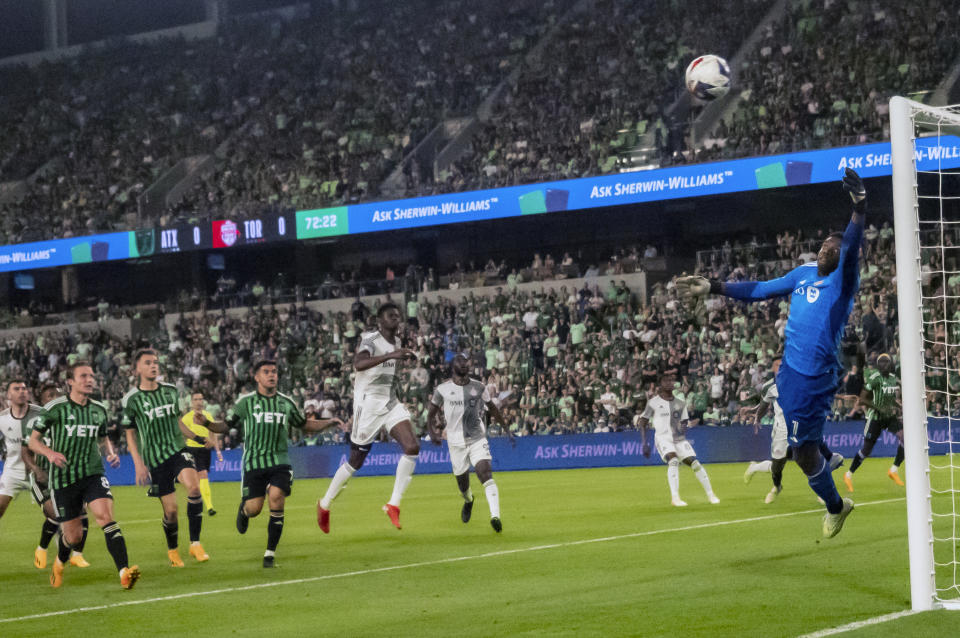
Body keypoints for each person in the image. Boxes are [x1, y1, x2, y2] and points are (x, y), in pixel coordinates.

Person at [676, 167, 866, 538]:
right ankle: (831, 480)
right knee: (802, 451)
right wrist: (714, 286)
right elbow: (759, 289)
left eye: (836, 246)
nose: (828, 247)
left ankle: (836, 505)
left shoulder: (844, 281)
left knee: (803, 454)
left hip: (813, 377)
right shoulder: (803, 273)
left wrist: (859, 206)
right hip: (791, 374)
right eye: (825, 244)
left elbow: (854, 241)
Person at [207, 360, 341, 567]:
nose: (271, 375)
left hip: (280, 461)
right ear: (257, 377)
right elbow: (226, 425)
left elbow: (304, 424)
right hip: (254, 462)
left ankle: (269, 554)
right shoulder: (245, 403)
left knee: (277, 498)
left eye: (275, 372)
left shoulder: (286, 403)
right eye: (266, 372)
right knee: (254, 508)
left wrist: (328, 423)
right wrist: (207, 424)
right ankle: (244, 511)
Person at [27, 361, 139, 589]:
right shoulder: (55, 408)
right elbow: (33, 441)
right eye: (83, 376)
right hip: (63, 479)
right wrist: (49, 453)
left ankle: (124, 572)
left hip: (92, 473)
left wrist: (110, 452)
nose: (89, 380)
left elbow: (101, 436)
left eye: (91, 376)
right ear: (70, 382)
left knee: (106, 517)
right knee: (74, 537)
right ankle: (59, 563)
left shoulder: (98, 408)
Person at [317, 302, 421, 532]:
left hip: (390, 402)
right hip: (368, 405)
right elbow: (359, 363)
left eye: (398, 315)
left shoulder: (397, 342)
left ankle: (393, 504)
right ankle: (324, 504)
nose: (396, 318)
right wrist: (392, 355)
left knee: (412, 447)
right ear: (380, 320)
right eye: (391, 315)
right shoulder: (371, 339)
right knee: (356, 461)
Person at [122, 349, 208, 567]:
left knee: (194, 488)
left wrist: (195, 436)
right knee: (171, 511)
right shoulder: (131, 400)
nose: (154, 366)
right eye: (148, 363)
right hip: (155, 459)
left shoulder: (170, 391)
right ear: (138, 369)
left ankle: (195, 543)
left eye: (156, 362)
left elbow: (177, 421)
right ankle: (173, 550)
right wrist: (138, 464)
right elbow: (130, 435)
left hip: (177, 450)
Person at [426, 353, 515, 532]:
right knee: (463, 487)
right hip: (455, 442)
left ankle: (495, 516)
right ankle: (469, 500)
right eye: (461, 362)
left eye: (466, 362)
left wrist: (507, 430)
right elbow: (430, 413)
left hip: (476, 438)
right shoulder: (443, 389)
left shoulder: (479, 387)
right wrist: (433, 432)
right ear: (453, 367)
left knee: (485, 472)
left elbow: (493, 410)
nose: (465, 364)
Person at [21, 382, 92, 569]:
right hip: (42, 478)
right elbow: (26, 451)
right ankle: (42, 548)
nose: (54, 398)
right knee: (53, 511)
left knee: (81, 512)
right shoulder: (34, 422)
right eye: (49, 395)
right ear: (43, 401)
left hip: (66, 476)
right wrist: (36, 470)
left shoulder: (71, 418)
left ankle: (77, 555)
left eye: (57, 394)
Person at [638, 374, 720, 507]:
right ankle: (675, 498)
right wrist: (644, 443)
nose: (670, 383)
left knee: (695, 463)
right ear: (661, 385)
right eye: (666, 381)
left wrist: (682, 432)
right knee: (674, 461)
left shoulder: (680, 403)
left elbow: (684, 421)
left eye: (671, 381)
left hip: (678, 439)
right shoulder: (653, 402)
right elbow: (642, 423)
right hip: (662, 438)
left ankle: (711, 495)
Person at [843, 353, 903, 492]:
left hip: (889, 417)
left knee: (905, 438)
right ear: (877, 364)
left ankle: (894, 470)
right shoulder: (874, 378)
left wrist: (898, 406)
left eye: (886, 362)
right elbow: (862, 399)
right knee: (866, 450)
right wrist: (879, 408)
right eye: (881, 362)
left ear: (891, 364)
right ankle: (848, 474)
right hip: (875, 417)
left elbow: (889, 398)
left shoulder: (893, 379)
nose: (884, 365)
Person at [181, 389, 224, 515]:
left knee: (200, 479)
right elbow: (184, 434)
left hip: (205, 450)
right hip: (192, 449)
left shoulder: (208, 415)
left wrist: (217, 450)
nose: (199, 402)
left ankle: (197, 501)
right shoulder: (187, 418)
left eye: (201, 399)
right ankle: (209, 507)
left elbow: (213, 433)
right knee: (203, 475)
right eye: (196, 399)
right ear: (191, 402)